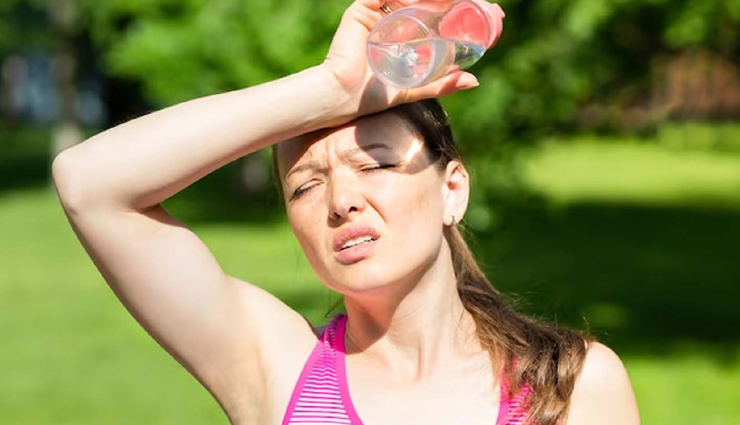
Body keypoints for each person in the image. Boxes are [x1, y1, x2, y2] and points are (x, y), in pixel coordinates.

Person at [51, 0, 640, 424]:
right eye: (305, 187)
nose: (340, 202)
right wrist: (330, 89)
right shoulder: (273, 365)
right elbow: (88, 182)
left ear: (453, 190)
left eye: (375, 164)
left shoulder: (571, 388)